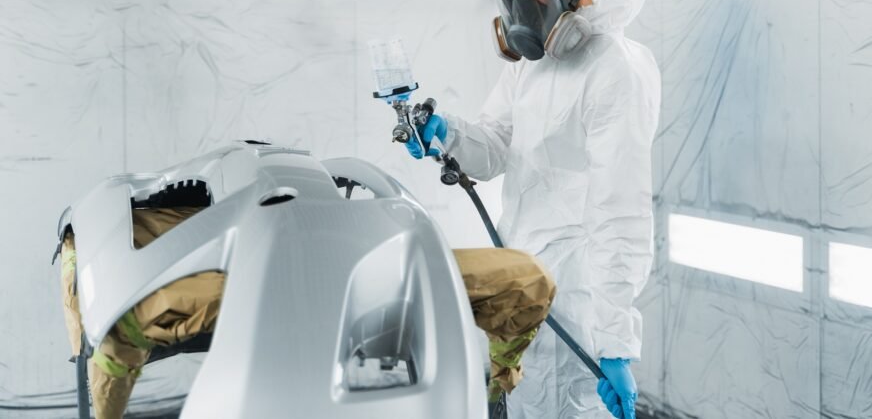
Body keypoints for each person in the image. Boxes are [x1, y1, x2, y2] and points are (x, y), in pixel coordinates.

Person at [406, 0, 661, 418]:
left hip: (576, 302)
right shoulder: (536, 60)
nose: (522, 2)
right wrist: (448, 133)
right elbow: (497, 145)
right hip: (520, 284)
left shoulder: (615, 70)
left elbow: (621, 213)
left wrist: (615, 342)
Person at [58, 210, 556, 418]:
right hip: (129, 262)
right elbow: (116, 347)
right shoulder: (161, 299)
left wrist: (499, 381)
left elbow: (526, 283)